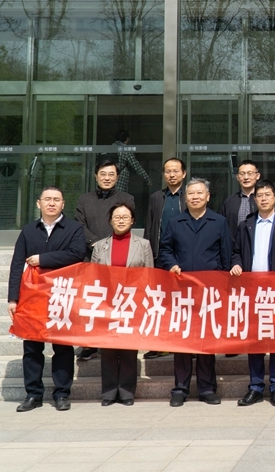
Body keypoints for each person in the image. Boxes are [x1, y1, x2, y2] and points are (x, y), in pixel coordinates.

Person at [8, 186, 87, 412]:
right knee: (32, 347)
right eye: (47, 199)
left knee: (62, 347)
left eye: (56, 200)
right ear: (38, 203)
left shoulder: (74, 228)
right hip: (32, 298)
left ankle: (62, 394)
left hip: (61, 295)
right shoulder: (28, 230)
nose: (52, 203)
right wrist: (13, 298)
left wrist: (43, 259)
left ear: (63, 204)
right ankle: (33, 394)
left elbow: (76, 254)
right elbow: (17, 265)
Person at [158, 177, 232, 407]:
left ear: (208, 197)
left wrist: (221, 283)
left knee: (206, 341)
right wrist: (172, 264)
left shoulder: (219, 222)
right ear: (185, 197)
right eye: (191, 193)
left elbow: (226, 255)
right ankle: (180, 388)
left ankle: (207, 388)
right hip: (181, 292)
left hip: (209, 293)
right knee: (182, 342)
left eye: (200, 193)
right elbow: (165, 249)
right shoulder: (175, 222)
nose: (195, 197)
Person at [230, 179, 275, 408]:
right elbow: (236, 252)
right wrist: (236, 264)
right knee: (255, 341)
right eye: (259, 195)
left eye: (267, 194)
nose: (263, 198)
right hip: (252, 291)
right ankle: (256, 387)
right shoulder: (246, 225)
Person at [90, 202, 153, 406]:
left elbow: (149, 275)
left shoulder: (143, 245)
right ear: (110, 221)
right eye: (117, 217)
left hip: (132, 303)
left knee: (128, 348)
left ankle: (126, 392)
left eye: (125, 217)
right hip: (107, 303)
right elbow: (93, 275)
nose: (121, 220)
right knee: (108, 349)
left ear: (132, 220)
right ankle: (109, 392)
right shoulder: (100, 246)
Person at [74, 159, 135, 361]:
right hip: (91, 255)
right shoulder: (84, 199)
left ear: (117, 177)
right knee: (92, 301)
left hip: (119, 256)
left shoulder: (126, 198)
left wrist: (109, 245)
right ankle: (90, 343)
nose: (107, 178)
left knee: (118, 300)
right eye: (103, 174)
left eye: (111, 174)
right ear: (96, 176)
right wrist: (97, 244)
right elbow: (79, 225)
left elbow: (125, 223)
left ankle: (117, 339)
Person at [142, 157, 187, 360]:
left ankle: (185, 343)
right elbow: (150, 227)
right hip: (160, 256)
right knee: (160, 302)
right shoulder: (156, 197)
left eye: (176, 171)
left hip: (184, 257)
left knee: (184, 302)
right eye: (168, 171)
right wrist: (148, 255)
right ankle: (159, 344)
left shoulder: (190, 195)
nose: (172, 174)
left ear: (184, 173)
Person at [222, 159, 261, 241]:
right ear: (237, 177)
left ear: (257, 176)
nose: (246, 177)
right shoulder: (229, 202)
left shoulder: (263, 200)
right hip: (235, 246)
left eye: (250, 173)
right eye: (242, 174)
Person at [112, 129, 151, 194]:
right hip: (120, 182)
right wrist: (147, 178)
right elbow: (136, 165)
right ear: (127, 139)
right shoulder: (125, 149)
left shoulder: (110, 148)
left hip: (108, 182)